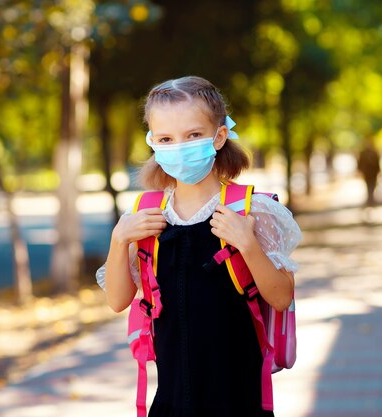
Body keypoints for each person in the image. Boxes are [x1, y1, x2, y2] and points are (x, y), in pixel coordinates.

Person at [95, 75, 302, 417]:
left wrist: (247, 244)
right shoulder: (148, 215)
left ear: (219, 136)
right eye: (166, 138)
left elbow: (281, 297)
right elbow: (117, 301)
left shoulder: (250, 210)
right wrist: (119, 240)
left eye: (192, 135)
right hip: (172, 400)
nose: (179, 146)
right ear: (153, 143)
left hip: (237, 400)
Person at [356, 136, 381, 207]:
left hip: (373, 173)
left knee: (372, 187)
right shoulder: (363, 153)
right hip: (367, 173)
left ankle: (371, 200)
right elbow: (359, 163)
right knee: (368, 186)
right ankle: (370, 200)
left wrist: (379, 171)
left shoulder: (375, 152)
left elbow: (378, 163)